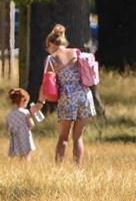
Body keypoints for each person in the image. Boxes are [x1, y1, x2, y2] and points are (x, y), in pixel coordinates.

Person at [37, 24, 96, 165]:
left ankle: (58, 169)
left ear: (51, 43)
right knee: (78, 137)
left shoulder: (51, 59)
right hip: (85, 95)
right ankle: (78, 170)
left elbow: (46, 83)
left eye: (47, 46)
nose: (48, 49)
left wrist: (40, 103)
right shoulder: (76, 52)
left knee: (64, 137)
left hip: (67, 97)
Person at [6, 88, 43, 160]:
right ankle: (26, 168)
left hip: (14, 137)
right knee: (26, 155)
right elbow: (31, 124)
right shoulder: (25, 113)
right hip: (25, 136)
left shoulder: (9, 114)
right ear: (23, 100)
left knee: (17, 155)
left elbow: (7, 127)